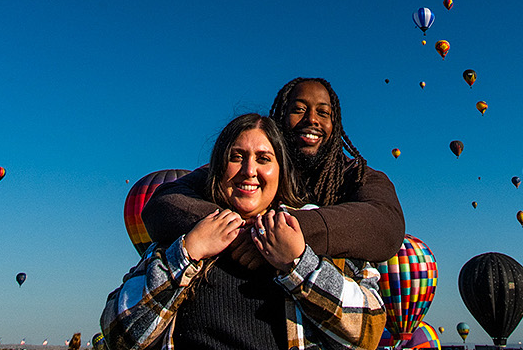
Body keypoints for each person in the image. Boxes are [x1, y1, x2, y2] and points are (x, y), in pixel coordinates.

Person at [102, 113, 385, 350]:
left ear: (281, 171)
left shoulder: (312, 233)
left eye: (264, 158)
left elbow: (369, 330)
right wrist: (187, 253)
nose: (249, 170)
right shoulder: (181, 236)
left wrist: (299, 264)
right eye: (237, 157)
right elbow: (118, 334)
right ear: (217, 168)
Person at [144, 78, 405, 267]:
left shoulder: (356, 175)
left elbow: (387, 224)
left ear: (335, 125)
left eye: (323, 113)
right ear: (280, 116)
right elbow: (163, 203)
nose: (312, 119)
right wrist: (241, 232)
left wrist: (283, 233)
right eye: (298, 109)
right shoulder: (244, 171)